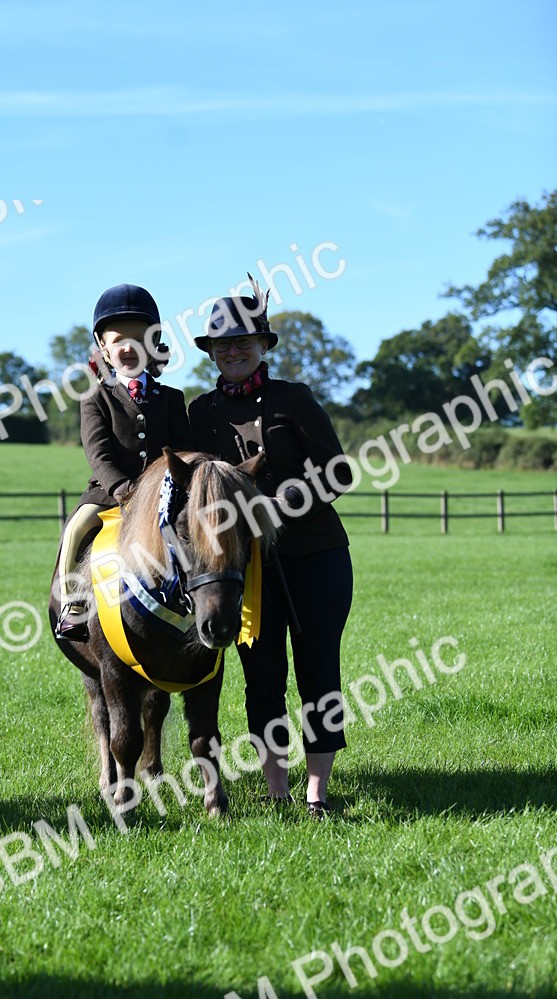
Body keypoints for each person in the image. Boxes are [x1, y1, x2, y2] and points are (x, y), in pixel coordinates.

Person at [188, 278, 354, 817]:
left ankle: (317, 794)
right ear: (211, 352)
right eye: (223, 344)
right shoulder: (200, 414)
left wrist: (277, 501)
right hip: (245, 569)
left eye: (244, 342)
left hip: (315, 558)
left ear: (263, 346)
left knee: (317, 673)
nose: (233, 351)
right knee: (261, 679)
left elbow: (339, 474)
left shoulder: (293, 398)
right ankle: (276, 790)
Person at [55, 283, 194, 640]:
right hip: (108, 493)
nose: (128, 347)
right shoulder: (94, 397)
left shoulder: (172, 398)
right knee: (75, 530)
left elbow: (182, 450)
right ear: (103, 346)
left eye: (139, 338)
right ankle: (74, 604)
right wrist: (121, 488)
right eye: (118, 340)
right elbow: (97, 451)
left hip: (164, 494)